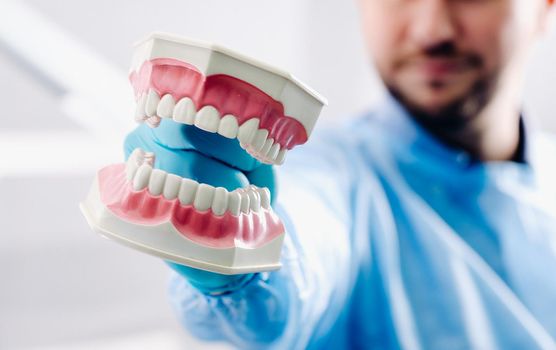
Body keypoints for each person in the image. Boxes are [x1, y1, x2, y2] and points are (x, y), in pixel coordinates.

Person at [124, 0, 556, 348]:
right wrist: (240, 257)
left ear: (545, 8)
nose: (431, 29)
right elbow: (302, 251)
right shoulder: (334, 174)